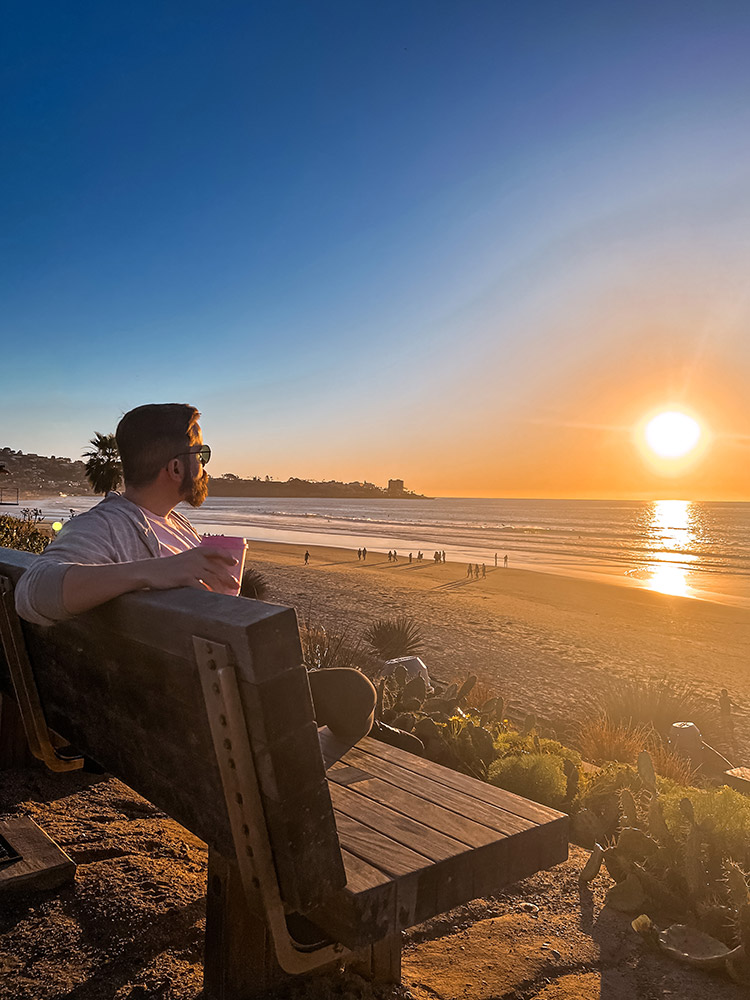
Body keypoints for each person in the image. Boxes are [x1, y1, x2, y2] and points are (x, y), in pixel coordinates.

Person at [14, 403, 389, 750]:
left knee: (345, 693)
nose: (205, 468)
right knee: (355, 691)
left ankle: (376, 728)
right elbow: (32, 591)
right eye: (202, 456)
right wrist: (155, 571)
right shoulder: (107, 526)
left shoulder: (175, 523)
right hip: (182, 719)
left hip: (193, 697)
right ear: (176, 468)